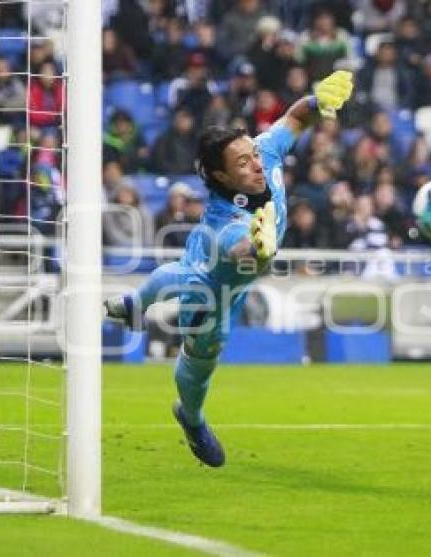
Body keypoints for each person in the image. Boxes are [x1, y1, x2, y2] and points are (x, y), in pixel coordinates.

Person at [104, 71, 354, 467]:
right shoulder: (228, 220)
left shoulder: (264, 151)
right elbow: (240, 251)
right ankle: (191, 416)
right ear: (221, 175)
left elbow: (294, 118)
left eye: (253, 154)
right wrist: (258, 245)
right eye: (243, 162)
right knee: (201, 347)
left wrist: (317, 101)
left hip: (232, 271)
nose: (256, 163)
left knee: (181, 283)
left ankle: (134, 303)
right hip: (215, 278)